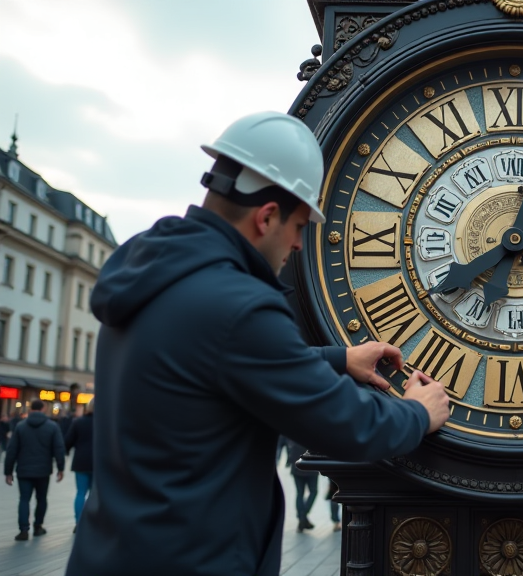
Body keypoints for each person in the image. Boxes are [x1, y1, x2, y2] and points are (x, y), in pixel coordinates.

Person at [65, 111, 450, 576]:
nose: (298, 246)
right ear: (267, 217)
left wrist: (338, 358)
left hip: (112, 553)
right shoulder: (239, 304)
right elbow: (348, 425)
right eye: (300, 227)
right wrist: (418, 412)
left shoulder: (158, 273)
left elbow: (206, 363)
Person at [4, 399, 65, 541]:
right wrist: (60, 468)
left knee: (24, 499)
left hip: (24, 470)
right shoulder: (52, 426)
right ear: (43, 408)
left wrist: (8, 471)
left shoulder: (20, 426)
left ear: (31, 409)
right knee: (41, 499)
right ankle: (38, 527)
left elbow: (11, 450)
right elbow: (59, 448)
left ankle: (23, 530)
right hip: (43, 470)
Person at [64, 398, 95, 531]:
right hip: (98, 463)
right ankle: (92, 522)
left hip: (81, 461)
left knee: (80, 492)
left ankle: (78, 522)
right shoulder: (106, 422)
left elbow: (68, 441)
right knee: (94, 494)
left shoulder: (78, 422)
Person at [284, 437, 318, 533]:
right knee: (313, 491)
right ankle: (303, 516)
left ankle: (302, 518)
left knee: (300, 493)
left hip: (297, 467)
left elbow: (290, 448)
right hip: (311, 467)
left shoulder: (296, 434)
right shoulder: (313, 434)